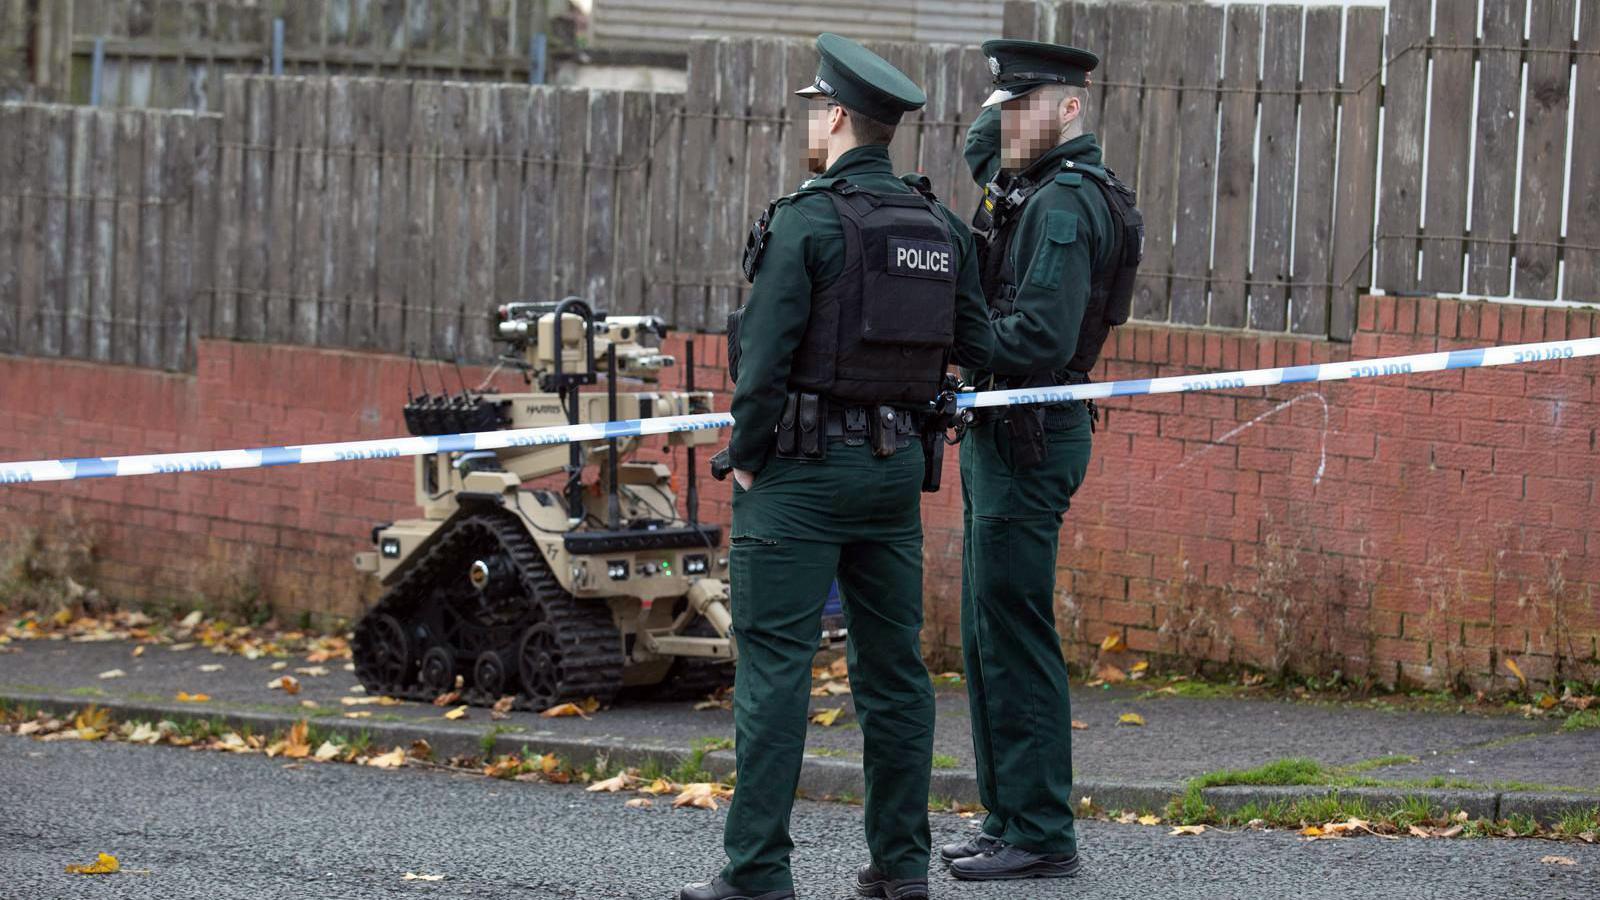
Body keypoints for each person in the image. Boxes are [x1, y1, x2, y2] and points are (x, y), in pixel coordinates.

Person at [682, 32, 992, 900]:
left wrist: (746, 458)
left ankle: (757, 873)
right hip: (894, 476)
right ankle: (902, 868)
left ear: (840, 118)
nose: (812, 124)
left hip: (800, 476)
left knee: (775, 673)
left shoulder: (807, 220)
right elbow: (976, 342)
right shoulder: (939, 227)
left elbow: (763, 362)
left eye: (818, 110)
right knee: (894, 677)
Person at [940, 39, 1141, 882]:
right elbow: (979, 147)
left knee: (1014, 631)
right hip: (1004, 429)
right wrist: (1005, 104)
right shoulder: (1031, 179)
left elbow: (1040, 338)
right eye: (1006, 106)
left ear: (1070, 108)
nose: (1008, 122)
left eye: (1028, 105)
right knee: (986, 631)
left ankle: (1042, 830)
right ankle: (1007, 818)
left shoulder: (1062, 204)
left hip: (1030, 430)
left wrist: (946, 335)